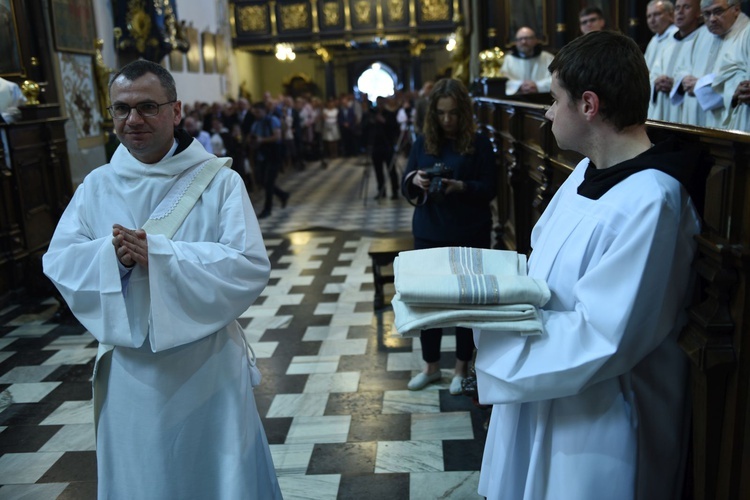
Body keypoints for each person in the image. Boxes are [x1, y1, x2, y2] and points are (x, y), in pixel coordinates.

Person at [473, 31, 710, 500]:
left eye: (554, 99)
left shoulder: (653, 199)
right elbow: (542, 258)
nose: (546, 111)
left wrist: (498, 336)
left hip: (602, 413)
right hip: (552, 387)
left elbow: (606, 334)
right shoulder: (586, 171)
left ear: (588, 105)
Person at [42, 59, 282, 499]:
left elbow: (248, 264)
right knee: (145, 479)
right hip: (131, 371)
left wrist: (161, 254)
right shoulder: (97, 185)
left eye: (148, 106)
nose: (133, 120)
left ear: (176, 111)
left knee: (214, 475)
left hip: (205, 366)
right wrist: (113, 257)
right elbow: (60, 260)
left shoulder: (220, 182)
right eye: (121, 109)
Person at [401, 78, 497, 394]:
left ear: (463, 112)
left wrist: (463, 186)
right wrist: (415, 179)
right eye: (441, 114)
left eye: (453, 113)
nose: (447, 120)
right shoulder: (422, 143)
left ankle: (461, 368)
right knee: (428, 301)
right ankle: (430, 367)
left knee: (465, 302)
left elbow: (491, 188)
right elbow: (406, 183)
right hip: (430, 230)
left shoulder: (480, 143)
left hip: (469, 230)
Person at [671, 0, 749, 127]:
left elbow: (739, 82)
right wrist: (684, 79)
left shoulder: (745, 34)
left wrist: (700, 85)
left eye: (718, 11)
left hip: (726, 122)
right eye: (706, 14)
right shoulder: (701, 34)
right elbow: (681, 66)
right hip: (695, 120)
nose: (712, 19)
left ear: (736, 9)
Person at [649, 0, 704, 122]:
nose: (680, 12)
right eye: (677, 8)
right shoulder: (669, 41)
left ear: (698, 12)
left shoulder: (704, 37)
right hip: (663, 109)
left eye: (686, 7)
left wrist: (676, 84)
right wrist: (656, 83)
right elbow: (654, 72)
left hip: (689, 113)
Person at [250, 100, 290, 218]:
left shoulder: (272, 120)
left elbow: (276, 136)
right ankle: (283, 195)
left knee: (269, 182)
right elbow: (253, 136)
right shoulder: (256, 123)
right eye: (255, 112)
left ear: (264, 111)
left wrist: (261, 140)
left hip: (273, 154)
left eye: (258, 112)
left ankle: (267, 209)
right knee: (263, 181)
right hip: (262, 155)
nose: (256, 115)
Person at [645, 1, 678, 120]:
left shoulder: (676, 36)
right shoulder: (654, 40)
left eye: (657, 14)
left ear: (671, 15)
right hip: (655, 97)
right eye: (649, 16)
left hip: (669, 98)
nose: (652, 20)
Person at [499, 27, 555, 95]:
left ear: (535, 40)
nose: (523, 42)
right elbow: (502, 80)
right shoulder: (508, 59)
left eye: (527, 38)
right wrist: (519, 85)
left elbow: (556, 78)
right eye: (520, 39)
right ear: (516, 42)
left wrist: (537, 86)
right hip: (515, 98)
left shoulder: (547, 58)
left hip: (543, 97)